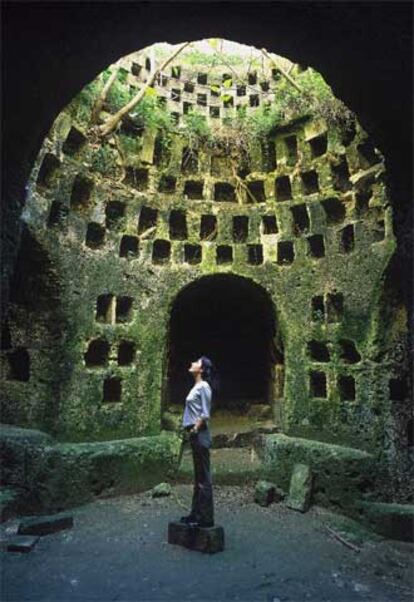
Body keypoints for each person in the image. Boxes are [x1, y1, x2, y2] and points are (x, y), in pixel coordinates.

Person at [179, 355, 218, 528]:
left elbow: (205, 413)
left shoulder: (204, 386)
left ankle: (206, 518)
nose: (192, 363)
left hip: (200, 434)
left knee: (204, 478)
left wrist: (195, 429)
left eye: (196, 362)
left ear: (201, 369)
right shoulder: (196, 386)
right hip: (194, 434)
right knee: (198, 478)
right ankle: (195, 514)